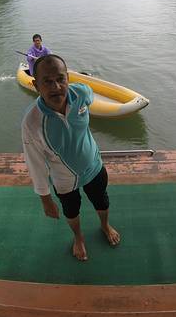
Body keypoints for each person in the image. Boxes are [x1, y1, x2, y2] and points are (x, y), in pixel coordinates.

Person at [21, 54, 120, 261]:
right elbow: (35, 164)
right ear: (36, 85)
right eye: (47, 82)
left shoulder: (81, 93)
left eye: (60, 79)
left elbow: (90, 96)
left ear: (68, 78)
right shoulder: (32, 123)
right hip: (64, 180)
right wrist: (46, 199)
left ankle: (105, 225)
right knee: (71, 211)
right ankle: (78, 237)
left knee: (101, 200)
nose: (56, 87)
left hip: (93, 165)